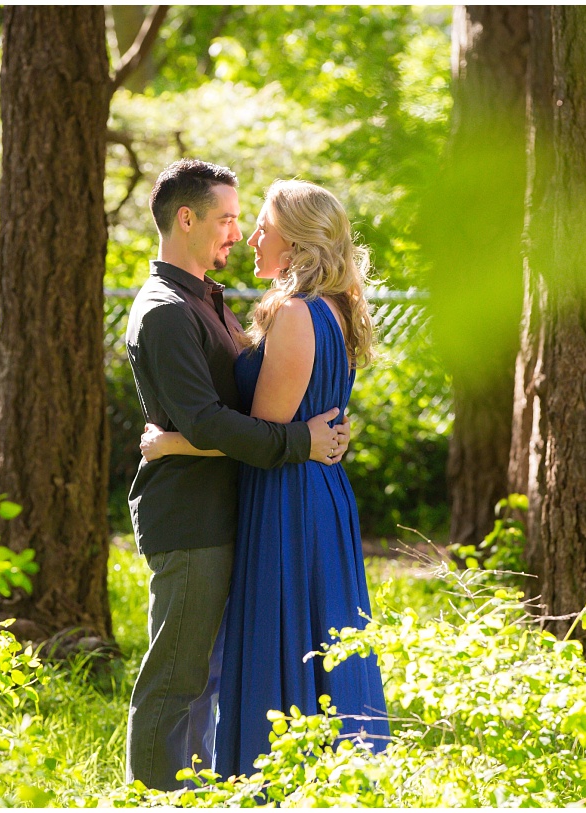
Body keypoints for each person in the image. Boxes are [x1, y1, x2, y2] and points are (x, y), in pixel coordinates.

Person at [141, 179, 391, 778]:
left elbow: (264, 436)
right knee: (317, 633)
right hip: (315, 491)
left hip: (287, 498)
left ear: (297, 241)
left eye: (261, 226)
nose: (250, 237)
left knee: (286, 637)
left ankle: (276, 780)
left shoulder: (296, 315)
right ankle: (326, 777)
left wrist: (170, 442)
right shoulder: (332, 309)